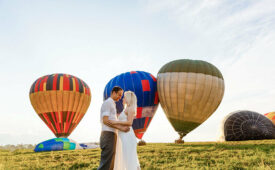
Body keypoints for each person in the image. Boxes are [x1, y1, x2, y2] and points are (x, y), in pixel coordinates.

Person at [98, 86, 130, 170]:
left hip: (112, 134)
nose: (120, 97)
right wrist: (121, 128)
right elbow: (105, 120)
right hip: (108, 134)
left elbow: (111, 120)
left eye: (121, 96)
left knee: (111, 160)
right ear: (113, 93)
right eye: (119, 95)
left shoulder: (112, 103)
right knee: (106, 162)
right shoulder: (108, 103)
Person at [107, 91, 141, 170]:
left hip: (127, 135)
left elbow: (129, 123)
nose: (123, 99)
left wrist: (116, 122)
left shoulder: (131, 109)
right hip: (122, 135)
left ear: (128, 99)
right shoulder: (126, 108)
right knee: (124, 156)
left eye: (124, 97)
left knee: (128, 157)